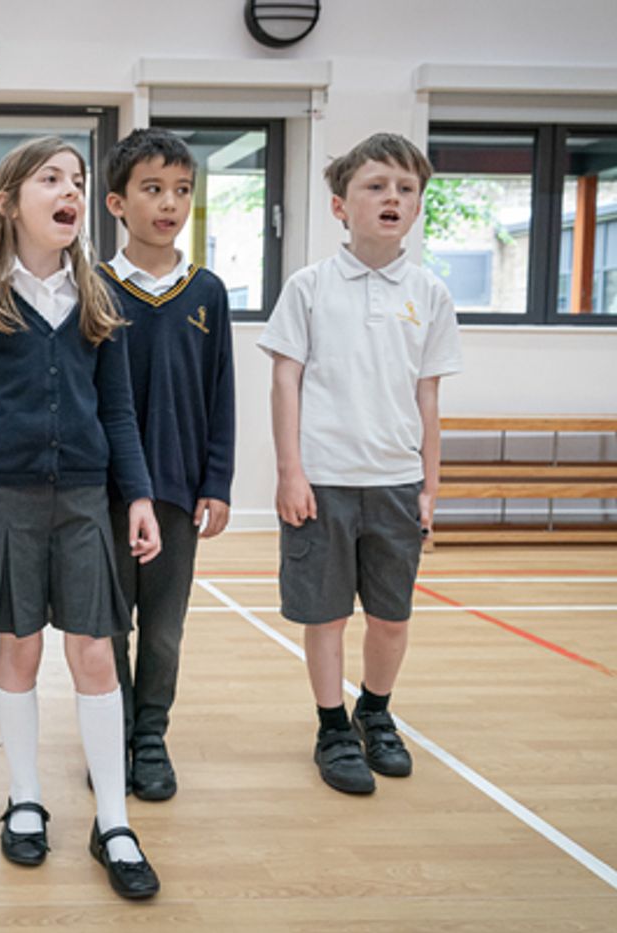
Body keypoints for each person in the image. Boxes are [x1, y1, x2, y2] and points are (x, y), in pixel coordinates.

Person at [0, 136, 162, 900]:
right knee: (20, 647)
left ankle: (114, 820)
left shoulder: (99, 297)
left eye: (77, 180)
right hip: (4, 501)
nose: (70, 191)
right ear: (9, 202)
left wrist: (137, 494)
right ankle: (26, 797)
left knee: (95, 654)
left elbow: (119, 411)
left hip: (86, 503)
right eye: (51, 179)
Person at [257, 132, 462, 794]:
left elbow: (428, 397)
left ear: (418, 205)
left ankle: (374, 711)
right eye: (375, 186)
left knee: (391, 616)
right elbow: (285, 381)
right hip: (322, 482)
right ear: (341, 206)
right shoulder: (309, 287)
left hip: (397, 483)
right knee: (325, 615)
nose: (391, 198)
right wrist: (290, 472)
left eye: (405, 189)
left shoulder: (429, 293)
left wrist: (430, 485)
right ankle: (331, 727)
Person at [97, 128, 235, 801]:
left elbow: (221, 392)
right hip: (103, 494)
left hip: (178, 493)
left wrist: (218, 481)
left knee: (163, 630)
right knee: (105, 625)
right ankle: (112, 732)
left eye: (182, 190)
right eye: (152, 189)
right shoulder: (91, 288)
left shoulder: (207, 291)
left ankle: (150, 737)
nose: (169, 203)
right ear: (117, 203)